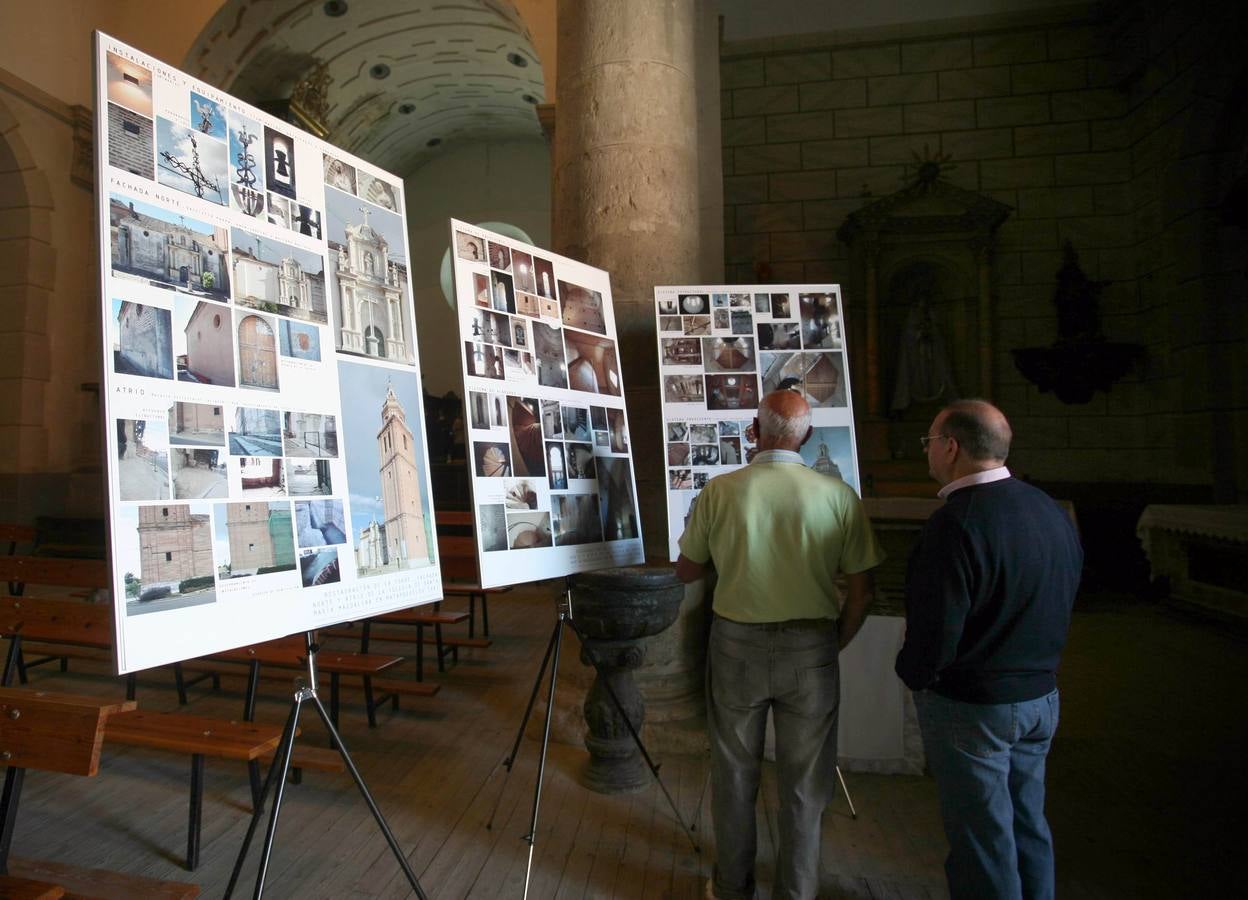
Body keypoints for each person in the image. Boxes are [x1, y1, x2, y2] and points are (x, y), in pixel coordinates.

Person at [676, 389, 884, 900]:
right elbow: (862, 591)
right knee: (806, 782)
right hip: (811, 647)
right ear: (807, 436)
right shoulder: (839, 496)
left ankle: (731, 887)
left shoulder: (721, 491)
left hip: (735, 646)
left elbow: (687, 570)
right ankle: (799, 892)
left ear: (754, 428)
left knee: (733, 773)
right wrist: (832, 643)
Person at [896, 399, 1082, 900]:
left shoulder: (954, 524)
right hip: (1041, 696)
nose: (928, 453)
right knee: (1027, 825)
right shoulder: (1050, 509)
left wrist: (913, 674)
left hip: (974, 705)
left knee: (982, 837)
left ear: (951, 447)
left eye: (929, 443)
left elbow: (936, 631)